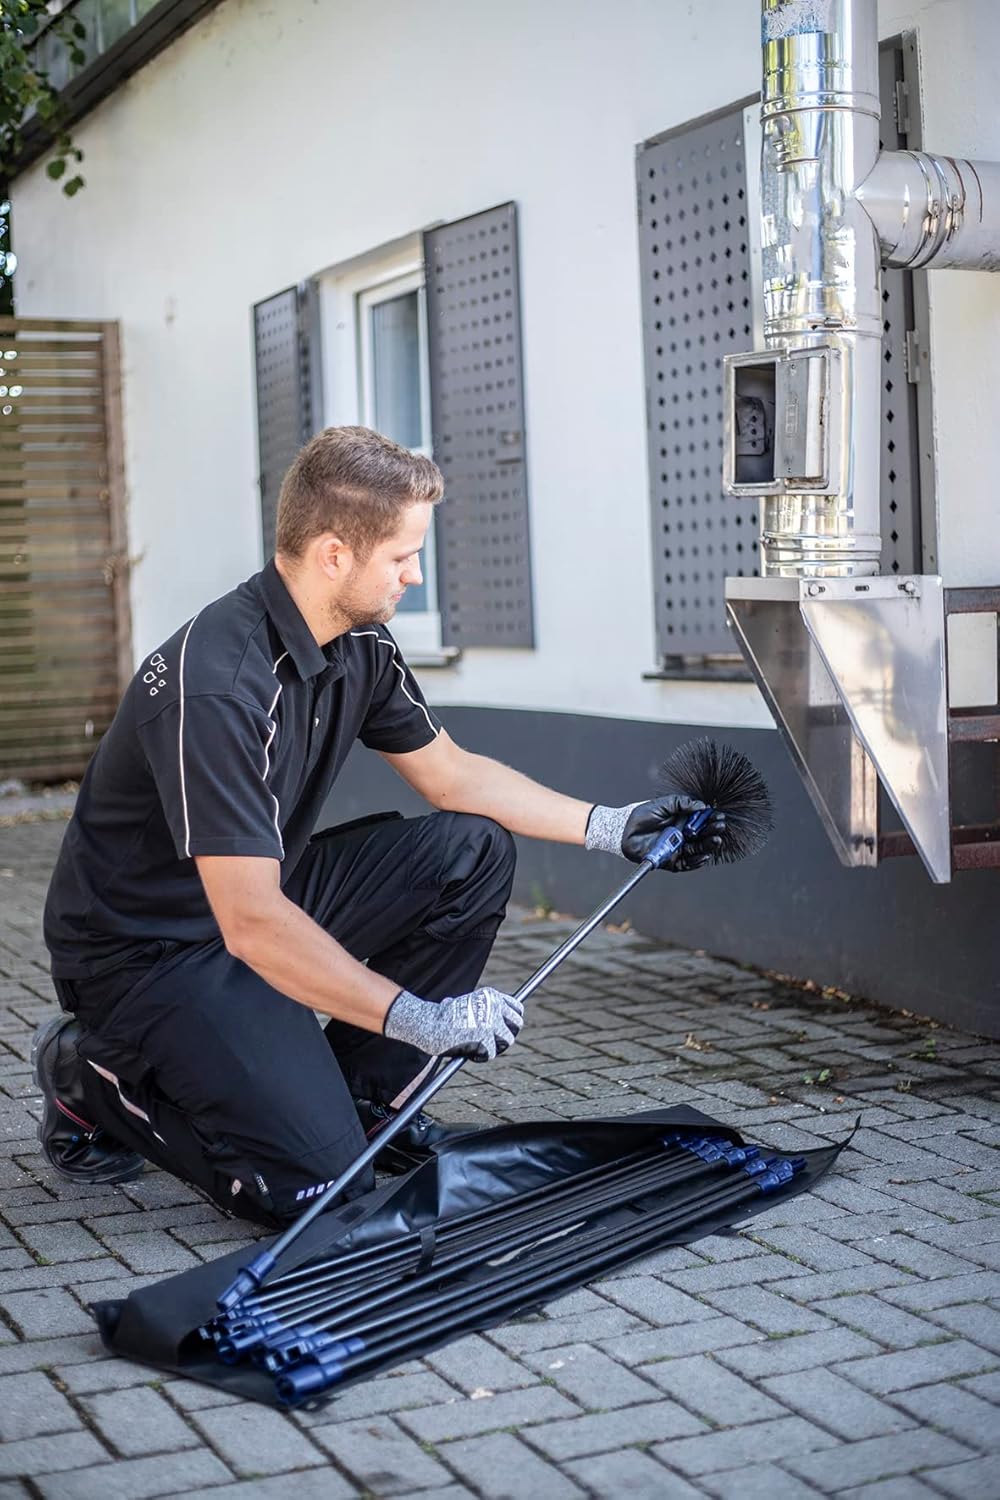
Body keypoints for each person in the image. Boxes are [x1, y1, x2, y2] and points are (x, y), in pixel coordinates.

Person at [35, 426, 721, 1227]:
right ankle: (88, 1075)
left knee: (467, 849)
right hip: (145, 951)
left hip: (254, 900)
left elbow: (452, 777)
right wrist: (418, 1016)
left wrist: (613, 825)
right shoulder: (218, 687)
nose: (415, 575)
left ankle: (365, 1103)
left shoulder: (360, 642)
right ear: (334, 555)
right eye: (401, 557)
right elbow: (251, 922)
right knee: (318, 1193)